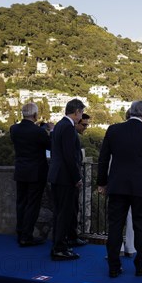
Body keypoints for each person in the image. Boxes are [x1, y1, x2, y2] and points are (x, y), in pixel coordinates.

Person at [98, 100, 142, 278]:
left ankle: (113, 267)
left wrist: (102, 183)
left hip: (117, 185)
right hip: (141, 188)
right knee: (141, 227)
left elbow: (103, 159)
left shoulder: (113, 130)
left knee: (115, 226)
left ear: (130, 112)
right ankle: (141, 265)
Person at [48, 98, 86, 261]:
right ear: (76, 112)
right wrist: (77, 177)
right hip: (65, 178)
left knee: (59, 213)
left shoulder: (59, 126)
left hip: (56, 175)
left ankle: (60, 244)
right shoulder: (69, 128)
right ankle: (59, 248)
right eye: (81, 112)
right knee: (64, 213)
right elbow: (70, 156)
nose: (82, 116)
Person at [9, 103, 51, 247]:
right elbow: (50, 145)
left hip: (20, 171)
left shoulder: (13, 129)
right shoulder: (38, 132)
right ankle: (27, 237)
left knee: (21, 203)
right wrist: (48, 130)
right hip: (36, 173)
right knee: (32, 205)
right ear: (35, 115)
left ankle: (20, 232)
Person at [65, 113, 92, 248]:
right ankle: (71, 238)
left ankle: (71, 237)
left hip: (69, 178)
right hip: (70, 180)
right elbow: (71, 159)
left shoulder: (71, 133)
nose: (86, 128)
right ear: (76, 122)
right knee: (71, 210)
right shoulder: (71, 134)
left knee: (72, 209)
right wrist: (77, 178)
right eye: (84, 124)